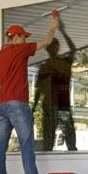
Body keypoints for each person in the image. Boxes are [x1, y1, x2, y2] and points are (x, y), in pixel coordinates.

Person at [0, 15, 59, 174]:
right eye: (24, 37)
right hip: (17, 104)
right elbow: (47, 41)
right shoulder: (19, 50)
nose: (25, 40)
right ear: (16, 37)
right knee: (27, 145)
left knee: (0, 148)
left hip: (2, 105)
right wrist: (53, 25)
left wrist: (5, 100)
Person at [32, 20, 77, 151]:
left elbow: (73, 49)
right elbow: (38, 90)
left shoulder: (65, 62)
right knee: (48, 139)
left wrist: (63, 31)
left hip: (63, 105)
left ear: (58, 48)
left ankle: (74, 160)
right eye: (52, 46)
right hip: (49, 106)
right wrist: (33, 108)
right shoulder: (44, 67)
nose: (54, 48)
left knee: (70, 138)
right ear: (48, 48)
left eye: (56, 45)